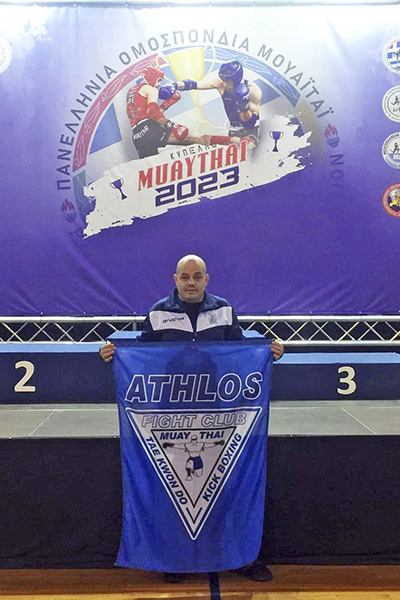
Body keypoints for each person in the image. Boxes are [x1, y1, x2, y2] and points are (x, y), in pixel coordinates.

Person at [100, 254, 284, 582]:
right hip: (170, 417)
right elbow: (142, 351)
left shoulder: (224, 310)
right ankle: (176, 561)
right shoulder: (158, 312)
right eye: (184, 277)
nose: (191, 282)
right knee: (174, 492)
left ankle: (239, 558)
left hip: (219, 416)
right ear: (175, 279)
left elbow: (241, 349)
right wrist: (115, 353)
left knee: (225, 487)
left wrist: (268, 352)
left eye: (197, 276)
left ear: (206, 279)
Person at [158, 60, 262, 147]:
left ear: (236, 79)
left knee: (248, 149)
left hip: (250, 131)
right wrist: (174, 85)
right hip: (234, 131)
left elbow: (250, 123)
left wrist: (244, 107)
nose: (224, 83)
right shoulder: (220, 84)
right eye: (223, 79)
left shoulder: (253, 91)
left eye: (227, 81)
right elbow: (194, 84)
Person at [126, 64, 211, 159]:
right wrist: (172, 126)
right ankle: (213, 146)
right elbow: (152, 112)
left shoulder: (131, 91)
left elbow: (146, 114)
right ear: (152, 76)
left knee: (152, 164)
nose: (159, 84)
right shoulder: (151, 89)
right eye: (159, 80)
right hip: (148, 128)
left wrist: (166, 104)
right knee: (190, 139)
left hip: (137, 136)